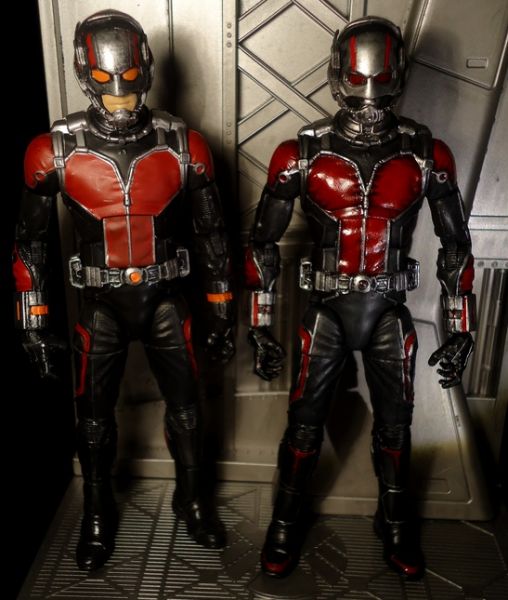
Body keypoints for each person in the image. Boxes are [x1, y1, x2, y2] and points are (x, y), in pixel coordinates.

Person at [245, 16, 475, 580]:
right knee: (304, 425)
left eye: (380, 82)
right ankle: (285, 521)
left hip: (387, 312)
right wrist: (259, 322)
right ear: (337, 77)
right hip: (326, 311)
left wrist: (461, 325)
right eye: (359, 82)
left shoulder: (425, 155)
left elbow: (456, 244)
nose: (369, 99)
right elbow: (262, 242)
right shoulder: (301, 153)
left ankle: (394, 522)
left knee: (396, 428)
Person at [14, 10, 235, 571]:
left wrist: (221, 307)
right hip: (100, 306)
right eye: (109, 86)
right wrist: (33, 321)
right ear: (85, 76)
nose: (120, 98)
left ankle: (192, 499)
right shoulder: (54, 149)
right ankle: (96, 511)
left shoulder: (185, 144)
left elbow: (212, 234)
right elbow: (29, 243)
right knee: (93, 419)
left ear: (147, 71)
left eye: (130, 85)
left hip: (166, 299)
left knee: (187, 409)